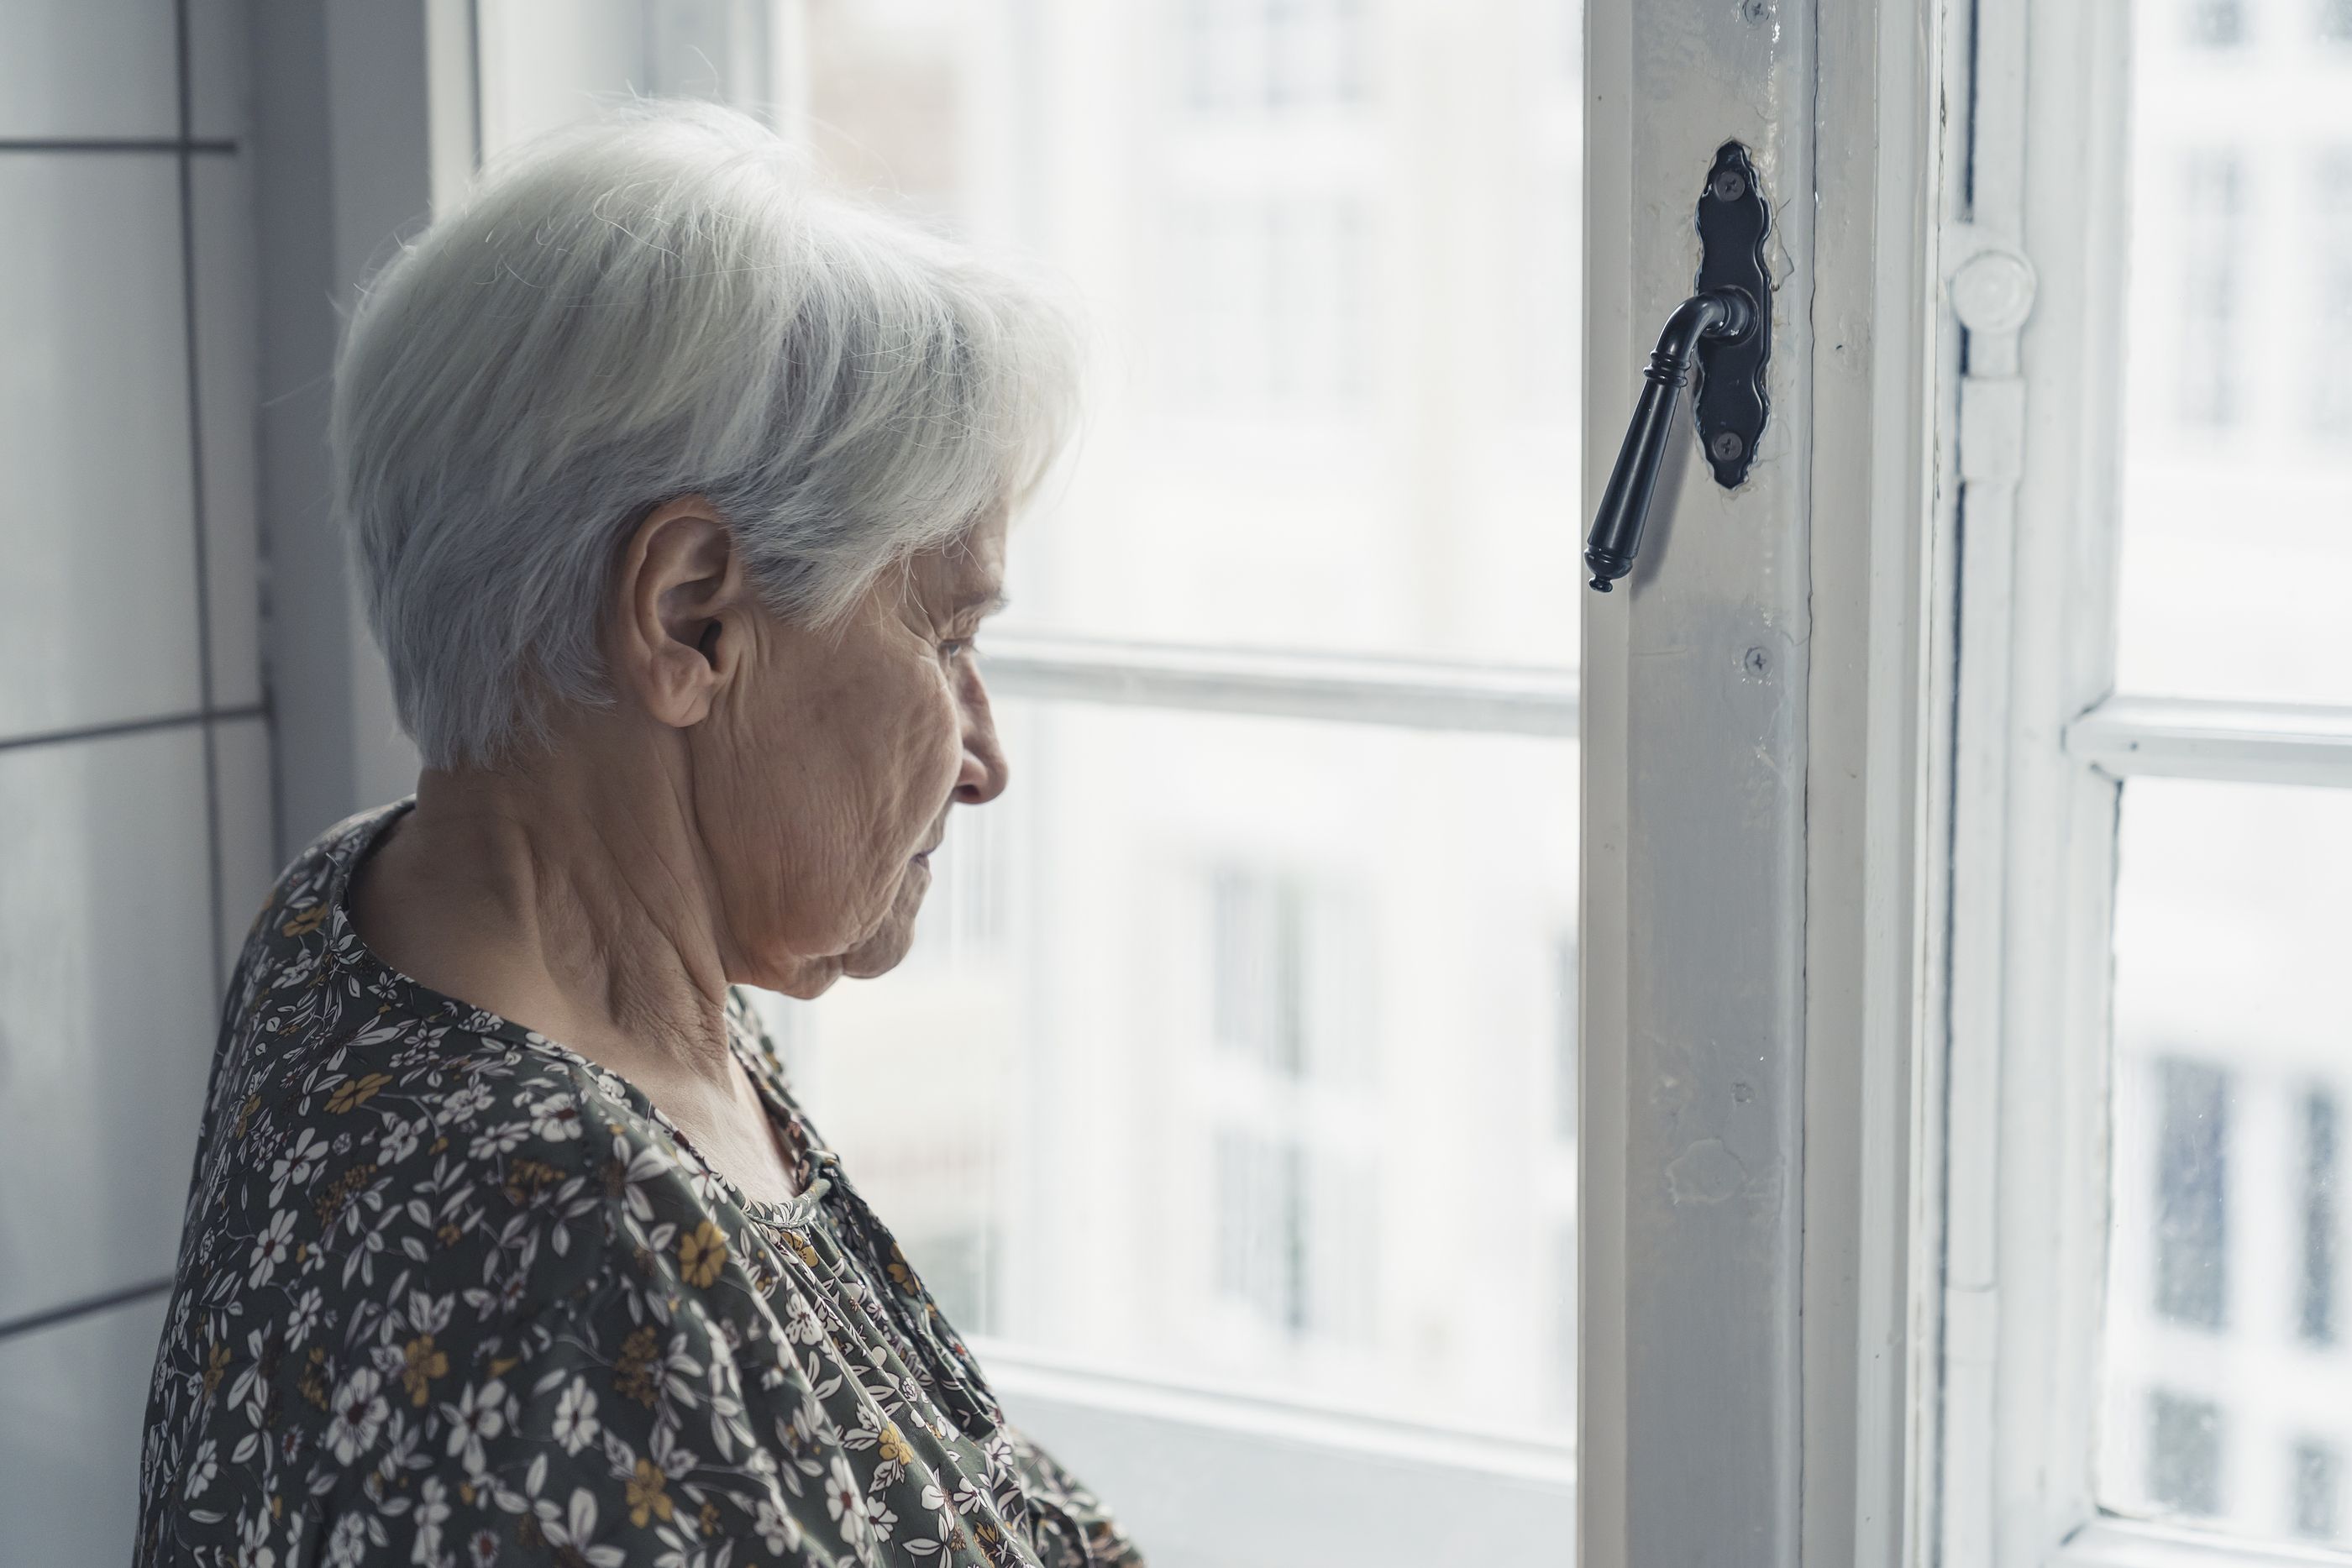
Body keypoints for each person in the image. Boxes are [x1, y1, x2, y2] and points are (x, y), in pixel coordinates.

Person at [135, 100, 1141, 1568]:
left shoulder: (376, 912)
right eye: (947, 635)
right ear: (689, 617)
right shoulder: (551, 1233)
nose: (984, 756)